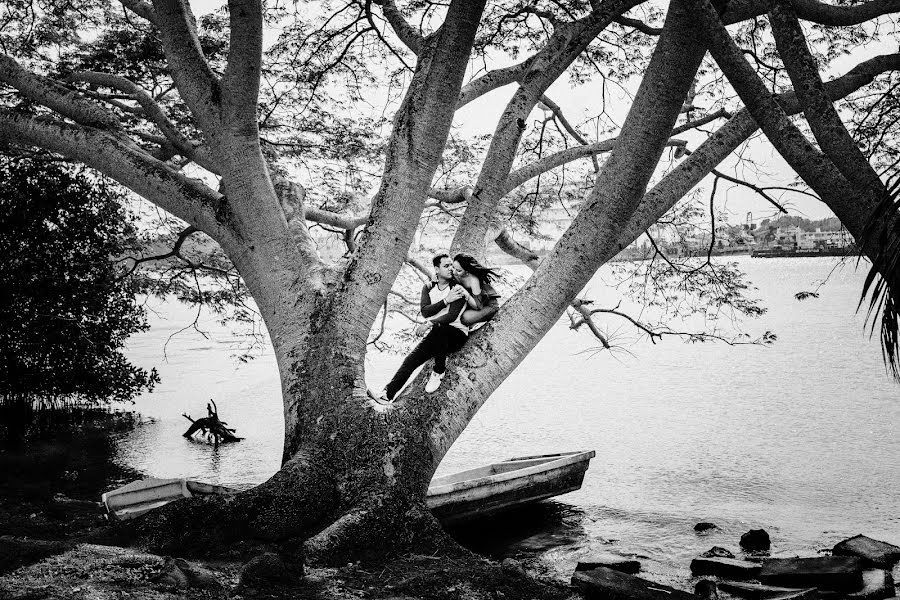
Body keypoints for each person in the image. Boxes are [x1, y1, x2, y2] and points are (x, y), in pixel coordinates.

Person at [374, 253, 478, 403]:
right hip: (437, 335)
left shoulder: (457, 288)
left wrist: (430, 323)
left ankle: (438, 371)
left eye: (451, 266)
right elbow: (425, 311)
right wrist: (445, 300)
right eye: (446, 266)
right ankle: (387, 395)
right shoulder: (428, 287)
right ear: (437, 269)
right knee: (410, 360)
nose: (450, 269)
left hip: (456, 335)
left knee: (440, 328)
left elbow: (451, 316)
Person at [451, 253, 501, 327]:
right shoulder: (456, 274)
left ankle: (477, 320)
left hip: (488, 306)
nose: (454, 272)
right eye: (453, 267)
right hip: (472, 303)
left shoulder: (473, 280)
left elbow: (478, 306)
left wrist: (466, 294)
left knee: (465, 318)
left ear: (467, 272)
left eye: (458, 270)